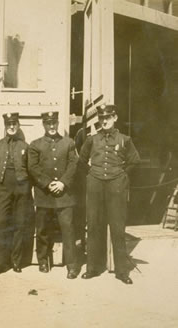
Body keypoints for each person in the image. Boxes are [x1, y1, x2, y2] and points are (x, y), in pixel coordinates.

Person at [78, 104, 140, 284]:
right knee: (94, 225)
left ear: (115, 118)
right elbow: (81, 161)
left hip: (116, 186)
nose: (104, 121)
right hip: (95, 185)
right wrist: (91, 174)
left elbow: (134, 161)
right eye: (102, 118)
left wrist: (122, 175)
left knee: (117, 227)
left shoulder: (124, 139)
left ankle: (122, 271)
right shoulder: (91, 140)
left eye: (108, 117)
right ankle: (92, 268)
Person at [28, 111, 79, 279]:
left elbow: (73, 165)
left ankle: (72, 265)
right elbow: (33, 168)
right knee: (42, 230)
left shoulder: (68, 143)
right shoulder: (35, 145)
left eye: (54, 123)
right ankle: (43, 261)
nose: (51, 126)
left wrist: (62, 183)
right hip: (44, 195)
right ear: (43, 124)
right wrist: (48, 184)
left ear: (58, 123)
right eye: (48, 123)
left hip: (64, 195)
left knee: (68, 230)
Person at [0, 113, 34, 277]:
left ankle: (16, 261)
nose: (12, 126)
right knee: (1, 223)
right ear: (5, 125)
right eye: (9, 124)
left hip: (21, 187)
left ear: (18, 125)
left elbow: (30, 169)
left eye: (14, 123)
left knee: (19, 223)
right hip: (2, 188)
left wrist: (26, 187)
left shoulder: (25, 146)